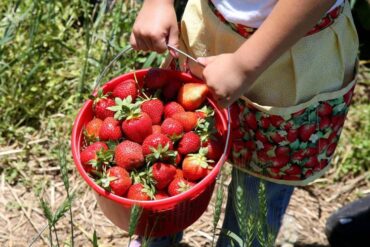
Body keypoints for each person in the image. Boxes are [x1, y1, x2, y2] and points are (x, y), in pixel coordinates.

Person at [129, 0, 359, 246]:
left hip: (291, 51)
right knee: (166, 163)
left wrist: (244, 66)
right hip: (208, 30)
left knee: (255, 197)